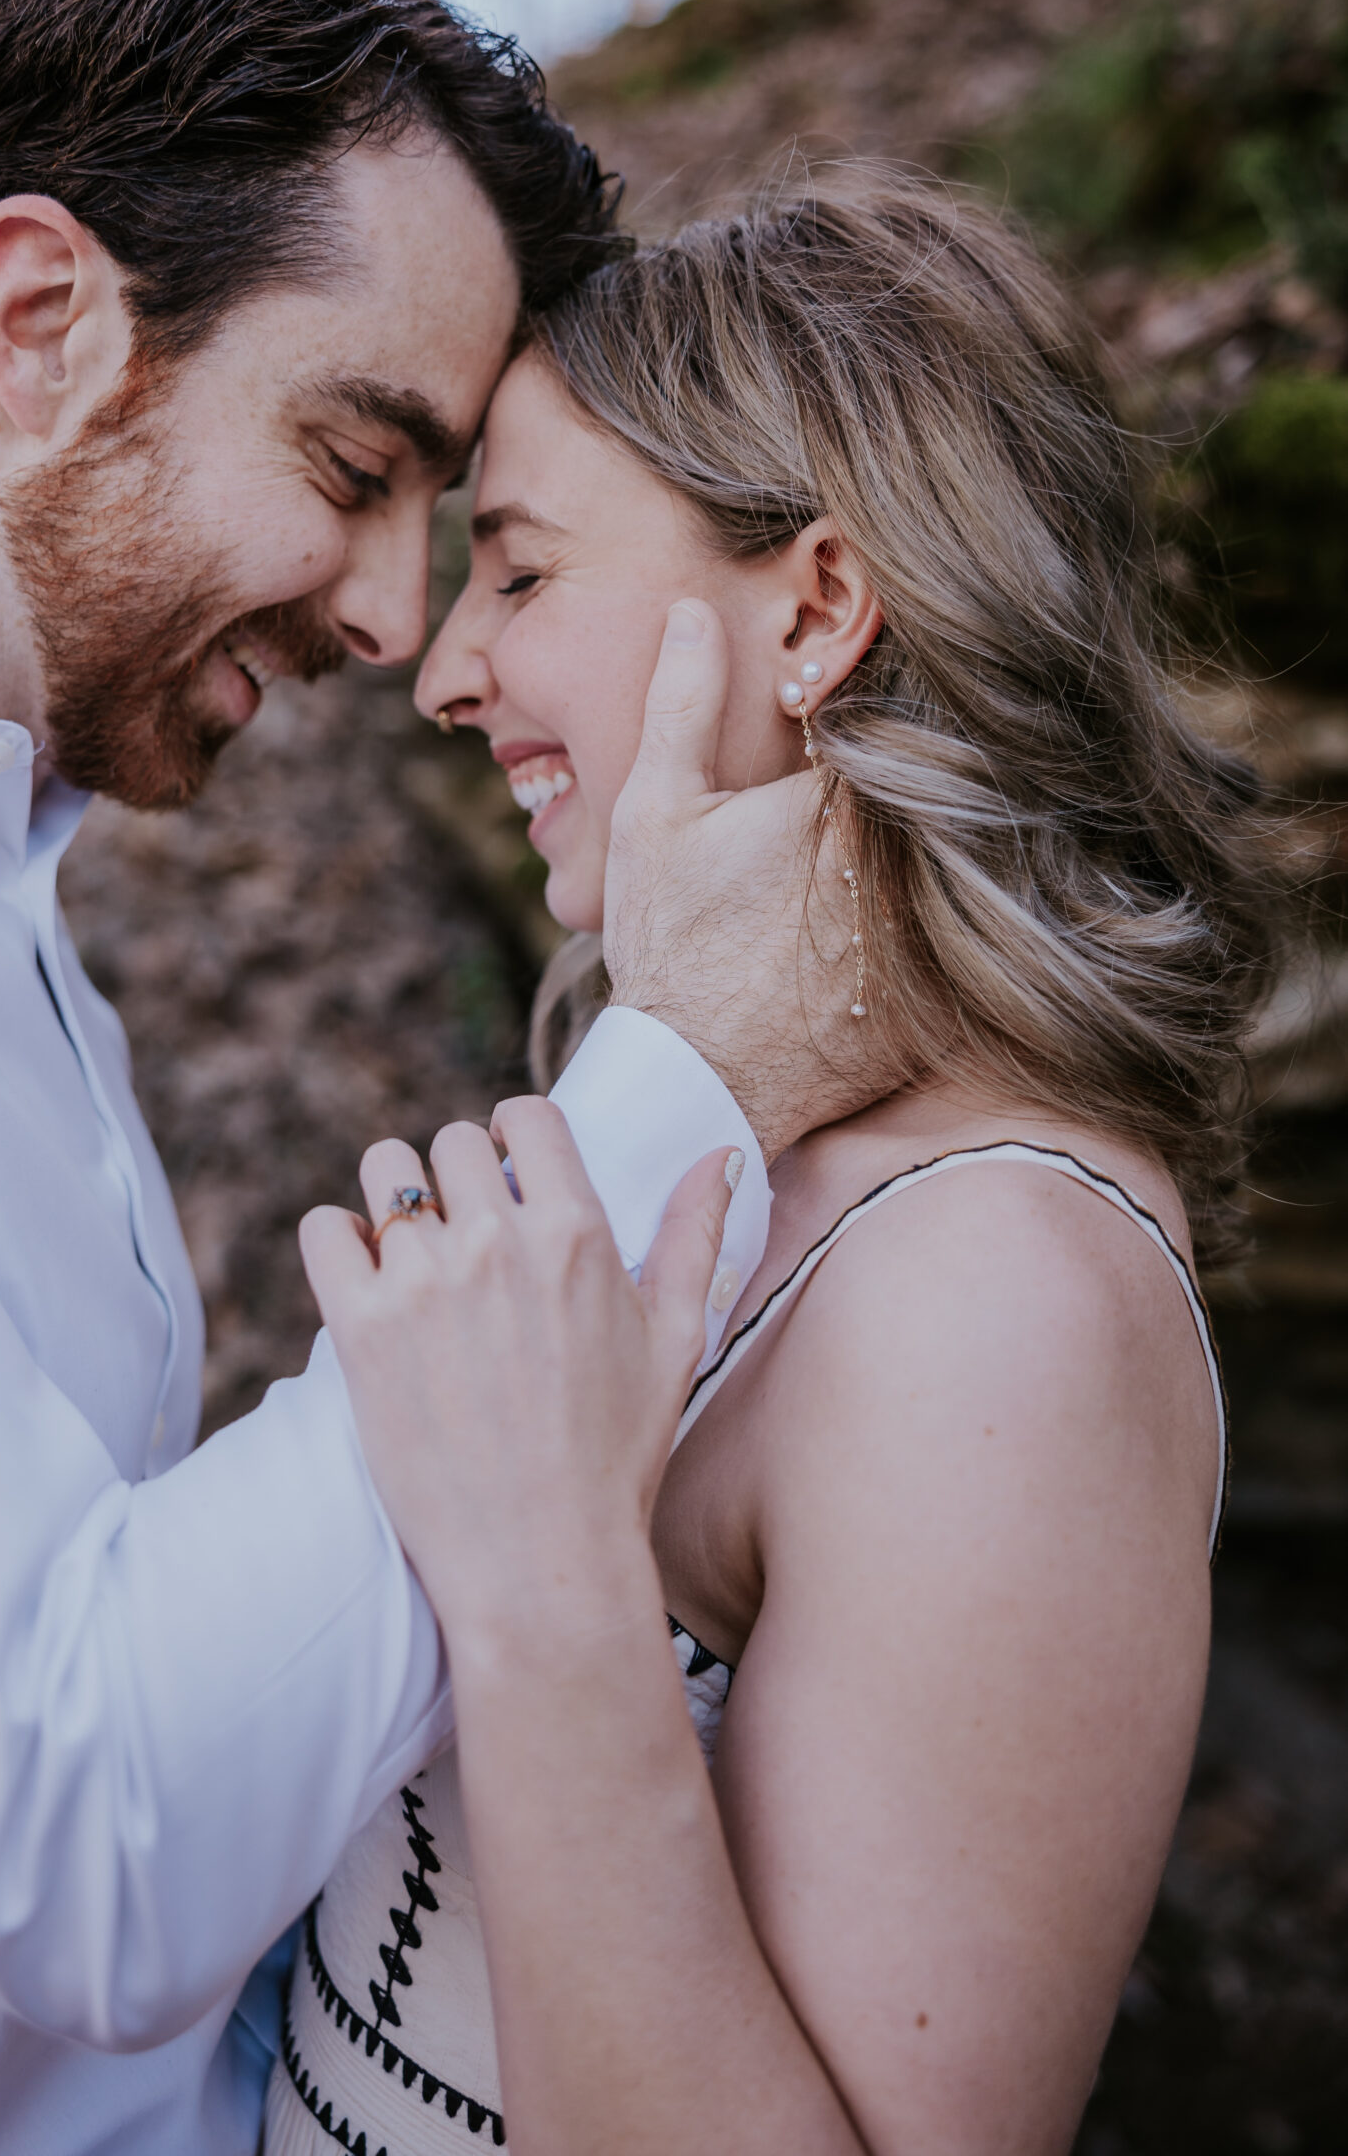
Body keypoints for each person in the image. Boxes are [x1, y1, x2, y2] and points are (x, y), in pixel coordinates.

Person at [0, 0, 848, 2156]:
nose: (398, 621)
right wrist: (686, 1075)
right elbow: (75, 1819)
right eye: (353, 460)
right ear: (40, 316)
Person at [267, 177, 1289, 2156]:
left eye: (523, 573)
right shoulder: (740, 1158)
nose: (442, 670)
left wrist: (549, 1579)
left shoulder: (997, 1303)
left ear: (814, 606)